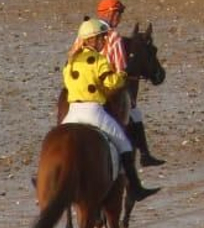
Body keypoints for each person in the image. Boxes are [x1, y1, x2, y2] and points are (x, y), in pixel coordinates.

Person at [61, 20, 156, 203]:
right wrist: (121, 76)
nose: (104, 41)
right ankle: (136, 188)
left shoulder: (70, 61)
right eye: (101, 38)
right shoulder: (98, 60)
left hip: (72, 113)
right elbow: (111, 83)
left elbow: (67, 83)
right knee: (125, 145)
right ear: (92, 40)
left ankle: (45, 181)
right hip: (93, 112)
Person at [95, 0, 164, 167]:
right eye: (116, 13)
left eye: (120, 14)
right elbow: (121, 67)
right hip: (107, 86)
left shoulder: (85, 32)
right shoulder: (114, 37)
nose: (118, 17)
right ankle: (145, 155)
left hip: (83, 86)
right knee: (134, 112)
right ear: (106, 14)